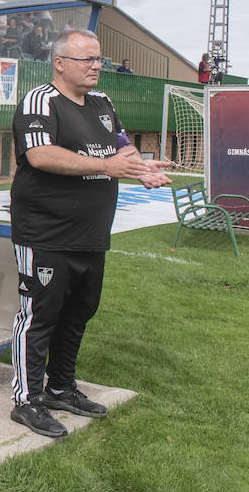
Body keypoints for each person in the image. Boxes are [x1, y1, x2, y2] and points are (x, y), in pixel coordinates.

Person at [9, 28, 171, 438]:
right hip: (46, 232)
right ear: (60, 63)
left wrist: (140, 168)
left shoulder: (102, 102)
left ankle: (61, 388)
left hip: (91, 234)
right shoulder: (39, 101)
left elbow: (121, 147)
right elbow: (40, 154)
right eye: (86, 59)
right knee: (39, 316)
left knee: (79, 312)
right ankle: (27, 401)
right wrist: (106, 167)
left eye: (98, 59)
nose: (97, 66)